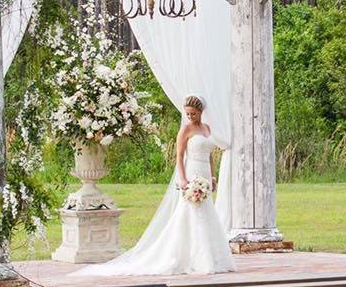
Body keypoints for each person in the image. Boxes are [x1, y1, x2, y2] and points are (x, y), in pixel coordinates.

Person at [70, 94, 235, 276]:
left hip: (204, 173)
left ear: (201, 112)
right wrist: (183, 180)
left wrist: (213, 177)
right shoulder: (185, 130)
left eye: (193, 114)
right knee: (191, 214)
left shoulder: (207, 129)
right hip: (191, 172)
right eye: (187, 114)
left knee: (207, 213)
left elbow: (210, 155)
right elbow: (179, 157)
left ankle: (213, 257)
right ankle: (194, 258)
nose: (190, 117)